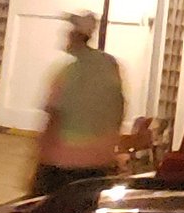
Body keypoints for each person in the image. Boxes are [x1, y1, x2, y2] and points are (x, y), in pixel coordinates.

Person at [32, 11, 128, 196]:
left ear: (75, 35)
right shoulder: (110, 65)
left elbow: (54, 118)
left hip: (64, 162)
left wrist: (39, 160)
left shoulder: (68, 73)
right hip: (100, 161)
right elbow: (120, 108)